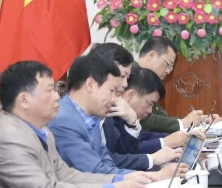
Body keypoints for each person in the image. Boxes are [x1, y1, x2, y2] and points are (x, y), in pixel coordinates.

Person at [0, 61, 151, 188]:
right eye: (50, 90)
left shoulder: (43, 131)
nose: (57, 96)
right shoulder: (9, 137)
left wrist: (118, 180)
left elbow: (66, 175)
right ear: (24, 100)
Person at [50, 55, 185, 180]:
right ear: (90, 85)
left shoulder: (91, 117)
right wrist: (154, 177)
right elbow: (95, 172)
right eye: (111, 91)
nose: (115, 99)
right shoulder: (64, 120)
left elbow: (108, 164)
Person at [90, 44, 183, 171]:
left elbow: (121, 151)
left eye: (127, 78)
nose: (125, 84)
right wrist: (152, 160)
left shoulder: (110, 106)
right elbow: (103, 162)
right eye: (122, 76)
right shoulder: (79, 114)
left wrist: (132, 123)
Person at [136, 36, 212, 133]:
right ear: (151, 56)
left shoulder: (148, 81)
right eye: (168, 64)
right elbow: (144, 121)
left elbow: (162, 118)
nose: (168, 71)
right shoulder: (131, 76)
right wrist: (183, 123)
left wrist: (200, 119)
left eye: (171, 67)